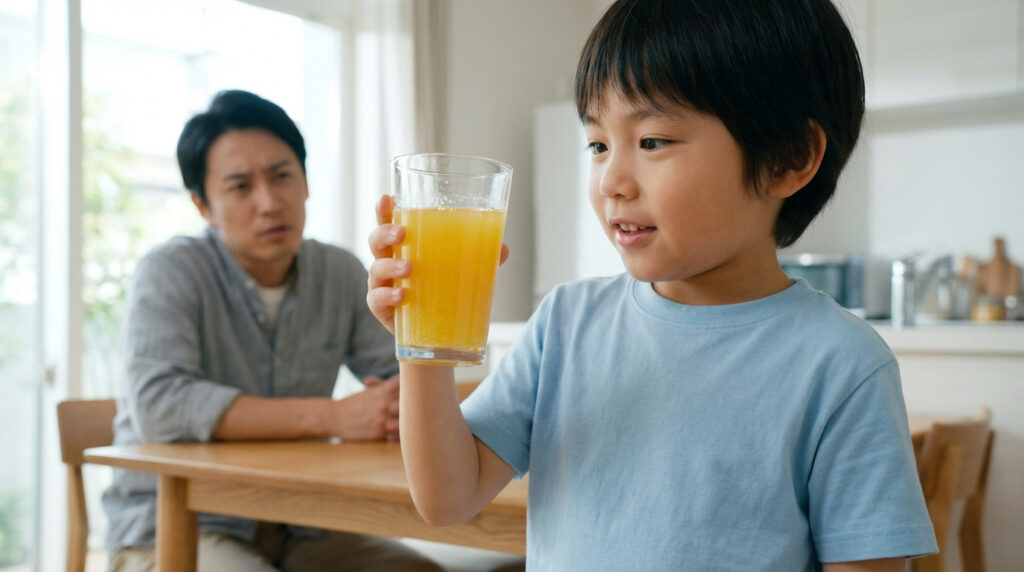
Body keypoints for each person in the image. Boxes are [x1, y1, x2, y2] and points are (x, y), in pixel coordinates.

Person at [366, 1, 938, 570]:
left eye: (653, 141)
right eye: (598, 144)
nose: (611, 181)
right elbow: (447, 497)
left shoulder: (843, 366)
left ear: (788, 159)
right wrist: (422, 343)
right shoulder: (566, 323)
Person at [102, 90, 441, 571]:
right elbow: (161, 405)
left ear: (305, 183)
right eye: (240, 187)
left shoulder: (339, 271)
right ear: (203, 205)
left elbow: (400, 378)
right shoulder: (170, 271)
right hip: (174, 525)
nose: (269, 202)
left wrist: (399, 396)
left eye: (282, 176)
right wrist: (334, 417)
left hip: (299, 522)